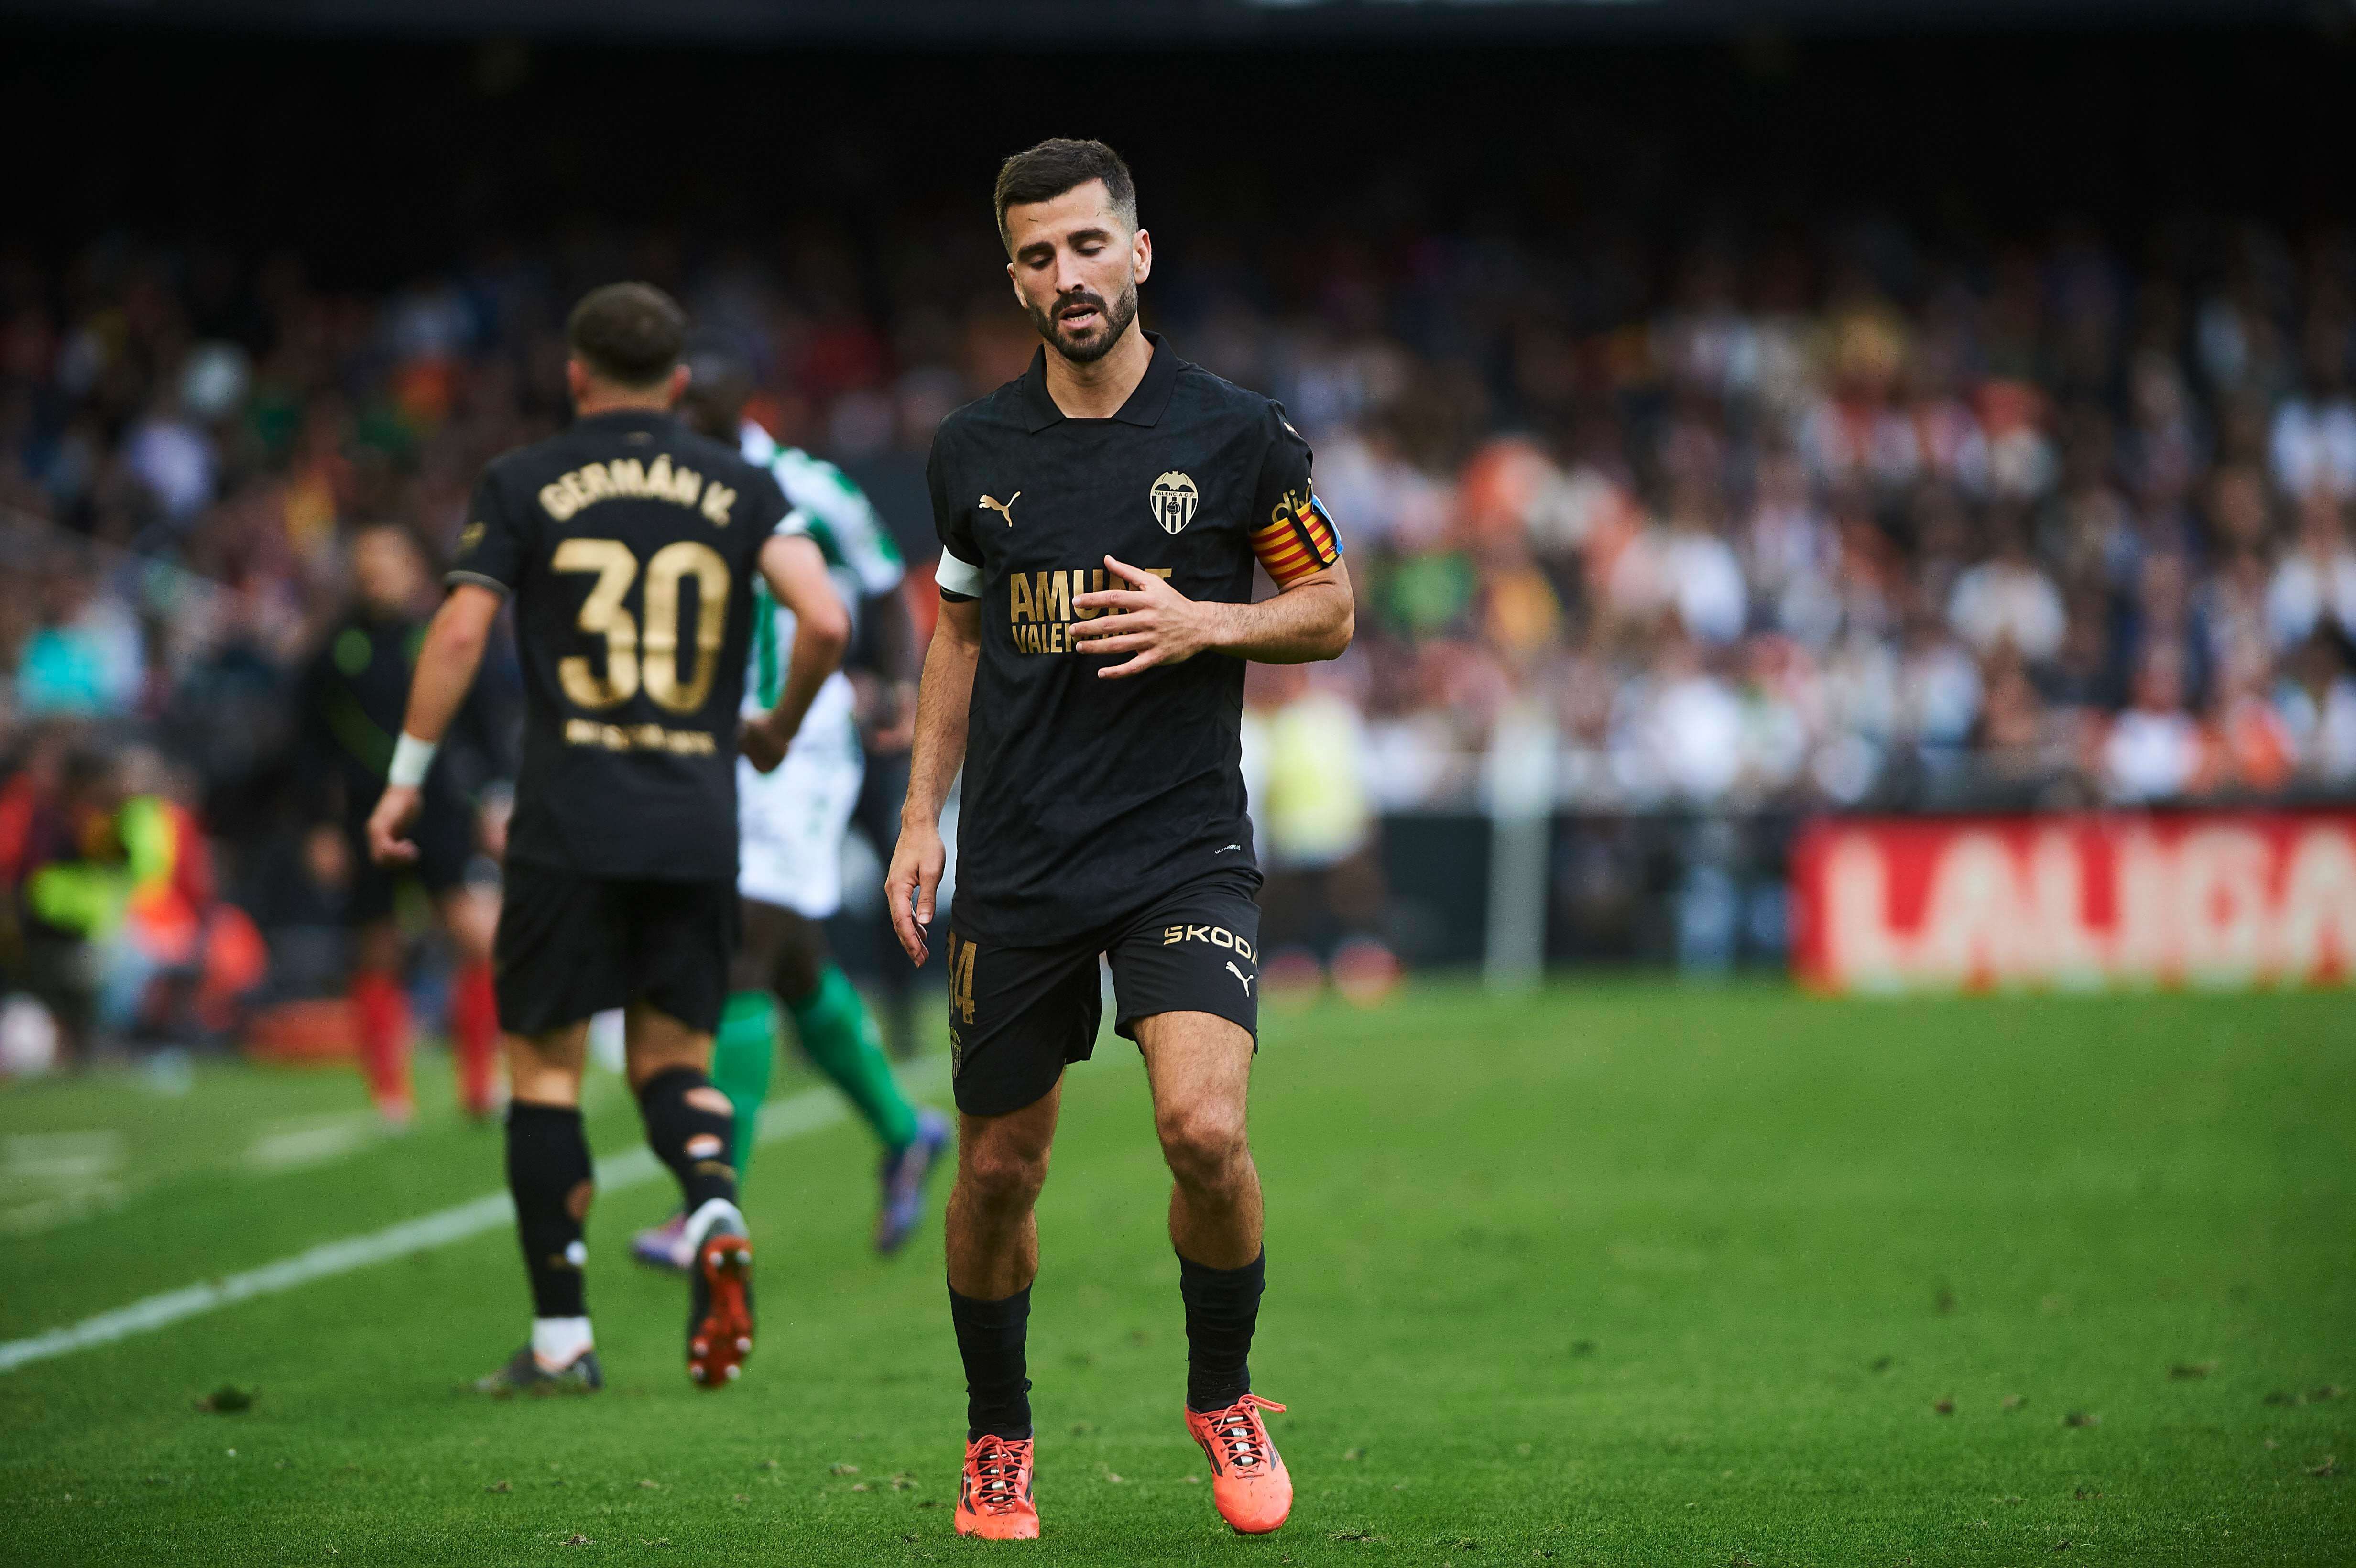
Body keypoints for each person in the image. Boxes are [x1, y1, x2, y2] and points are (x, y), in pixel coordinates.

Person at [884, 139, 1353, 1540]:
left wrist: (1205, 619)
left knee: (1204, 1129)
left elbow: (1326, 606)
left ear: (1138, 255)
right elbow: (957, 632)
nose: (1065, 275)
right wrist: (920, 816)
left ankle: (1222, 1392)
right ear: (1013, 278)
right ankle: (996, 1434)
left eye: (1088, 246)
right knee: (995, 1171)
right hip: (1020, 860)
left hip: (1179, 846)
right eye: (1036, 256)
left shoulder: (1238, 436)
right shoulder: (971, 452)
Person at [366, 283, 849, 1395]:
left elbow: (460, 627)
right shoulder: (738, 481)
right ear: (680, 383)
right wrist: (772, 725)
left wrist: (406, 780)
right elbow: (822, 616)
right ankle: (714, 1200)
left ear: (576, 376)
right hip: (694, 819)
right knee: (674, 1061)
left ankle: (561, 1340)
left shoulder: (523, 479)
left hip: (566, 820)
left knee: (544, 1073)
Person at [629, 342, 949, 1270]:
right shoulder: (666, 490)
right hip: (708, 748)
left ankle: (707, 1206)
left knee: (739, 947)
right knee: (794, 963)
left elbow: (884, 584)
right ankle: (903, 1131)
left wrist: (894, 686)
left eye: (688, 416)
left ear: (731, 411)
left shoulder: (810, 487)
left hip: (800, 750)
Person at [300, 520, 513, 1125]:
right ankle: (389, 1095)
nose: (375, 574)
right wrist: (319, 826)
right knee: (377, 951)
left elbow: (487, 723)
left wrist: (495, 798)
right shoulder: (334, 652)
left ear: (414, 569)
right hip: (367, 818)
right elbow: (310, 748)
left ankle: (479, 1082)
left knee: (479, 942)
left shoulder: (444, 635)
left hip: (441, 808)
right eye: (365, 563)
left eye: (387, 561)